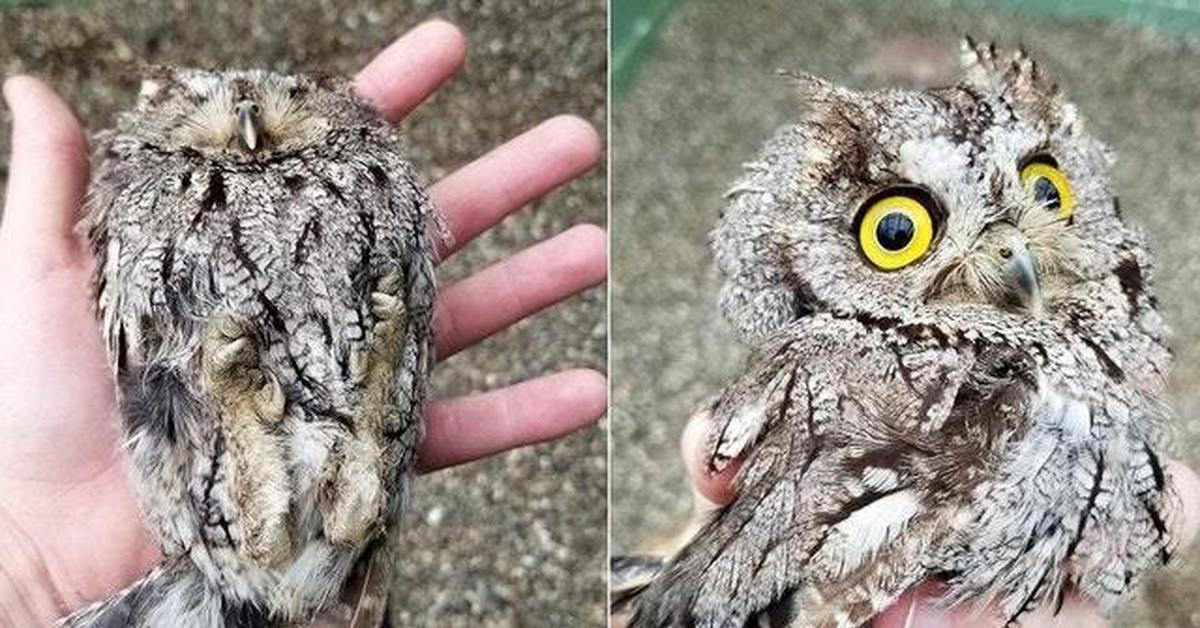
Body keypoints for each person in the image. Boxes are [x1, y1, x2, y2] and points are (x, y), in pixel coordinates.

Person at [0, 20, 607, 626]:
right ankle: (264, 459)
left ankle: (327, 464)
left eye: (290, 103)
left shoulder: (370, 178)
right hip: (213, 519)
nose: (246, 126)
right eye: (197, 108)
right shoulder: (145, 198)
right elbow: (153, 401)